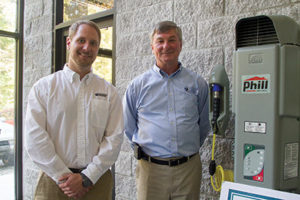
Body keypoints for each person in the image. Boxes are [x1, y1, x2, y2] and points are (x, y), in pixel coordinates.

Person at [25, 20, 123, 200]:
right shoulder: (44, 88)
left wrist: (87, 177)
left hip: (97, 182)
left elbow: (114, 139)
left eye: (93, 43)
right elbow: (35, 137)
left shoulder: (109, 92)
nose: (87, 47)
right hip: (53, 182)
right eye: (81, 40)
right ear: (69, 42)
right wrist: (64, 178)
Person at [123, 21, 211, 200]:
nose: (166, 46)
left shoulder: (197, 83)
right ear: (152, 46)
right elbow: (128, 127)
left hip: (188, 170)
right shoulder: (137, 86)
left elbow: (203, 125)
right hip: (151, 171)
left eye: (172, 40)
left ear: (180, 44)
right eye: (160, 41)